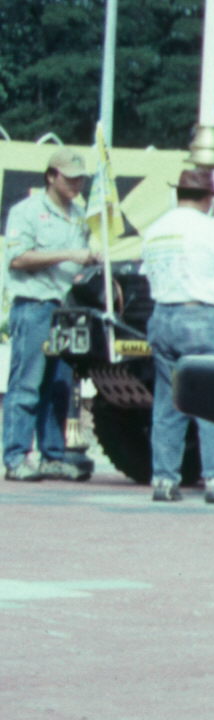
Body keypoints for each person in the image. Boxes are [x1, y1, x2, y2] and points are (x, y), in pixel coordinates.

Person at [140, 167, 214, 504]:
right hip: (200, 315)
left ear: (178, 194)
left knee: (168, 403)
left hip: (161, 316)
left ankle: (164, 480)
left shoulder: (155, 230)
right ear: (210, 199)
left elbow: (147, 275)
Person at [4, 149, 101, 483]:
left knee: (59, 386)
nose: (76, 184)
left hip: (67, 311)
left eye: (80, 178)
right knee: (26, 384)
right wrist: (70, 254)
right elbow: (17, 259)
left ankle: (52, 456)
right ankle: (16, 457)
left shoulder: (81, 214)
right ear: (50, 176)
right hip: (35, 305)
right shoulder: (26, 211)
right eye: (69, 177)